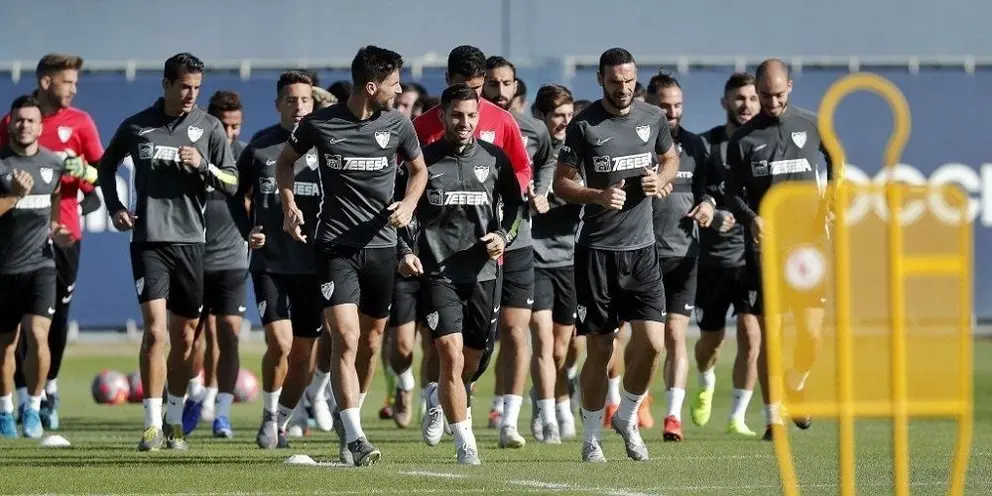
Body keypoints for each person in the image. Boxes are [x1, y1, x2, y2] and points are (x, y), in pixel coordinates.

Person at [276, 45, 427, 466]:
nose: (400, 90)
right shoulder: (320, 124)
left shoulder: (398, 124)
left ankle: (349, 417)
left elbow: (419, 171)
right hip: (335, 246)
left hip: (382, 248)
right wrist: (288, 205)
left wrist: (409, 204)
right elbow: (285, 163)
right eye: (394, 83)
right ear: (372, 86)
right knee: (346, 337)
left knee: (372, 341)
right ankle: (357, 437)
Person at [97, 52, 239, 451]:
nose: (192, 94)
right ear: (166, 85)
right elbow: (105, 167)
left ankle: (174, 419)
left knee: (186, 337)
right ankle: (151, 425)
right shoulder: (137, 125)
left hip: (192, 244)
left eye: (197, 88)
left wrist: (204, 166)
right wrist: (116, 207)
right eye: (185, 87)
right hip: (149, 241)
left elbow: (231, 182)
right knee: (155, 331)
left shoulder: (209, 127)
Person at [553, 47, 679, 463]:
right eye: (614, 81)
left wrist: (660, 179)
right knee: (601, 349)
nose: (623, 88)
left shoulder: (652, 117)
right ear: (600, 80)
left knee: (654, 344)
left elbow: (670, 158)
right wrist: (598, 195)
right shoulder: (584, 125)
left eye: (628, 81)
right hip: (597, 252)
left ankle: (626, 415)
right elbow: (561, 183)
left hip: (642, 251)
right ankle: (591, 437)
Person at [412, 45, 532, 440]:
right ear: (447, 84)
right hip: (439, 254)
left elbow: (520, 172)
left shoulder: (501, 121)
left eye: (478, 92)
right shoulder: (422, 127)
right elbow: (407, 181)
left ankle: (447, 394)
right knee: (444, 344)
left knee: (482, 350)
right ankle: (447, 406)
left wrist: (501, 228)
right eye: (463, 90)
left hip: (492, 250)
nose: (470, 104)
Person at [723, 59, 830, 441]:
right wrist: (752, 218)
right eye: (765, 95)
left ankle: (796, 381)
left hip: (809, 250)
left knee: (811, 336)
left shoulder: (812, 123)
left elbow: (838, 160)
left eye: (778, 94)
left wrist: (833, 196)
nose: (771, 102)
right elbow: (732, 193)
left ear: (790, 87)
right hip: (766, 252)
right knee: (771, 334)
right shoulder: (743, 139)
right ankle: (775, 419)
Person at [0, 54, 103, 431]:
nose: (74, 89)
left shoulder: (81, 122)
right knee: (12, 335)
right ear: (46, 82)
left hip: (62, 236)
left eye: (76, 82)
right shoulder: (12, 126)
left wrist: (86, 172)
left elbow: (102, 174)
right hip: (11, 245)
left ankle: (46, 393)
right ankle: (17, 400)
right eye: (67, 82)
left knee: (50, 322)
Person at [236, 70, 326, 449]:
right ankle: (269, 414)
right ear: (277, 105)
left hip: (313, 266)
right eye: (291, 100)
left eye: (305, 99)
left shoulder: (327, 148)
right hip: (270, 265)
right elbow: (236, 196)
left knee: (303, 353)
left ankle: (283, 419)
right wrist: (248, 229)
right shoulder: (259, 149)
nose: (298, 106)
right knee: (280, 343)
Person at [646, 72, 729, 442]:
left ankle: (673, 417)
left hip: (683, 254)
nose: (673, 112)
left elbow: (711, 189)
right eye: (665, 106)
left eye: (678, 105)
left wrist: (708, 205)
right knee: (645, 340)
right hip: (640, 254)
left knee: (676, 335)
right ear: (649, 103)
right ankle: (631, 399)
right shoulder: (636, 143)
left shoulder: (695, 146)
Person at [482, 56, 558, 445]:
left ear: (516, 86)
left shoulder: (533, 129)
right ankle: (450, 403)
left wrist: (540, 190)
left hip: (519, 241)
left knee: (516, 330)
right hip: (472, 246)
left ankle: (510, 421)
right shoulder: (467, 123)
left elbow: (547, 160)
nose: (500, 91)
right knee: (472, 337)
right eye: (492, 83)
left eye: (506, 83)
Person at [691, 72, 762, 437]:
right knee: (711, 342)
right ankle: (705, 381)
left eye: (752, 98)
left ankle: (738, 416)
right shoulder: (707, 146)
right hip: (713, 261)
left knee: (752, 336)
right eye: (739, 98)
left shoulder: (767, 143)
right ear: (725, 102)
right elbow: (695, 194)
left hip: (751, 258)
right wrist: (711, 212)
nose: (746, 105)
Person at [0, 95, 73, 439]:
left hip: (41, 264)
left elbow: (56, 201)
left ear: (41, 127)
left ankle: (32, 406)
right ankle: (5, 410)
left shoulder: (53, 163)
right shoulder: (1, 165)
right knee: (5, 346)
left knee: (38, 333)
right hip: (3, 269)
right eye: (19, 120)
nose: (24, 125)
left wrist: (57, 229)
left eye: (31, 120)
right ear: (10, 124)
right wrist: (14, 195)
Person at [181, 90, 250, 438]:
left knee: (228, 335)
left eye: (236, 126)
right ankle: (195, 394)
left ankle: (222, 413)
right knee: (189, 338)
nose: (230, 133)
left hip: (232, 260)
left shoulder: (246, 157)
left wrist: (256, 228)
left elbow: (256, 200)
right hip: (193, 259)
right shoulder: (191, 155)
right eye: (224, 126)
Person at [529, 84, 579, 440]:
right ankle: (548, 417)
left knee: (562, 349)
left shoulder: (580, 153)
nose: (564, 122)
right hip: (534, 258)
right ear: (541, 116)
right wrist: (531, 198)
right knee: (543, 342)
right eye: (558, 115)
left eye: (569, 115)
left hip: (571, 259)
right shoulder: (532, 154)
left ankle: (554, 399)